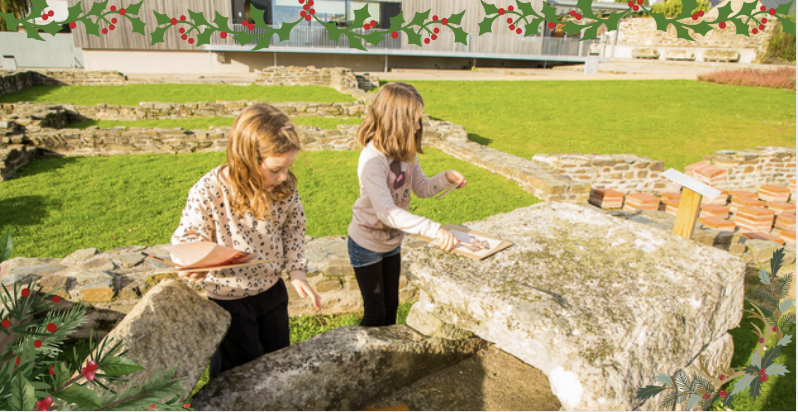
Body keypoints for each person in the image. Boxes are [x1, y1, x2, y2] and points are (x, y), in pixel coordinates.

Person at [171, 104, 321, 379]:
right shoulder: (208, 191)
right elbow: (187, 240)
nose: (284, 177)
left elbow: (294, 227)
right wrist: (191, 263)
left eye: (288, 168)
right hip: (229, 302)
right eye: (276, 169)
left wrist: (297, 272)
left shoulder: (283, 188)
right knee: (237, 376)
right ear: (246, 159)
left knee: (277, 369)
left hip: (272, 293)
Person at [348, 82, 467, 327]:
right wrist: (434, 229)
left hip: (392, 242)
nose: (417, 126)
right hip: (367, 243)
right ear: (394, 121)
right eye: (413, 120)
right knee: (375, 313)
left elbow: (421, 188)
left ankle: (388, 359)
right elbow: (386, 212)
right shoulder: (373, 160)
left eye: (418, 119)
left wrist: (446, 177)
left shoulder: (407, 151)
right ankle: (365, 359)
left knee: (391, 307)